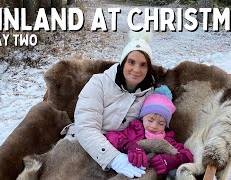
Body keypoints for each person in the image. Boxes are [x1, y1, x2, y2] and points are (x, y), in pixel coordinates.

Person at [63, 30, 156, 178]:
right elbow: (85, 127)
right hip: (81, 143)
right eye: (131, 62)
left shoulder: (149, 94)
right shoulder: (98, 83)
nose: (136, 70)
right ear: (122, 62)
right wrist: (113, 158)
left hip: (120, 146)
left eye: (143, 65)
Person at [105, 85, 194, 175]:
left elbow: (187, 155)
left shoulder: (168, 139)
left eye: (161, 123)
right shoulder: (134, 130)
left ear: (166, 126)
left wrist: (173, 161)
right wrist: (127, 144)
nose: (154, 126)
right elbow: (111, 135)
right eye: (150, 120)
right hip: (129, 169)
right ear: (143, 117)